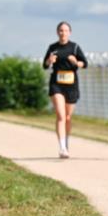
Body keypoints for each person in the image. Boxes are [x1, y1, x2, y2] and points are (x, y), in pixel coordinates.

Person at [42, 22, 88, 158]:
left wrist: (76, 62)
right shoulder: (52, 47)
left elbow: (84, 64)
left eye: (66, 30)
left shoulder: (75, 47)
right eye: (61, 30)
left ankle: (66, 141)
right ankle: (62, 147)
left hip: (71, 84)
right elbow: (44, 66)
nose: (63, 33)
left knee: (67, 117)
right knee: (60, 115)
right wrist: (49, 61)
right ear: (57, 32)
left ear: (70, 32)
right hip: (56, 83)